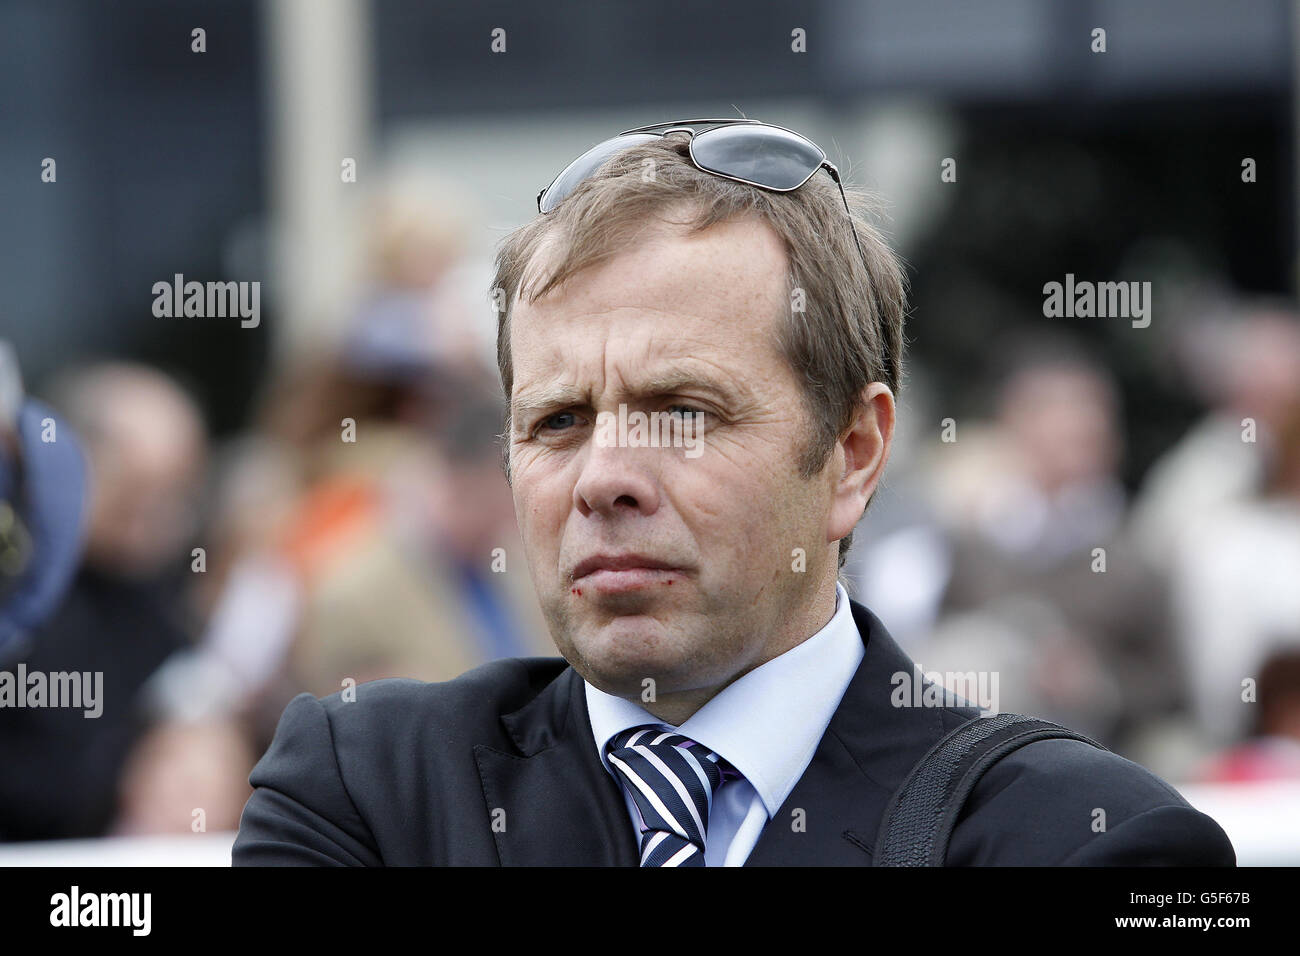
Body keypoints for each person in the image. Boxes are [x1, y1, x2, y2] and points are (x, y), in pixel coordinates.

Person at [233, 119, 1235, 866]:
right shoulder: (365, 788)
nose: (603, 478)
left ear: (852, 451)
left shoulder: (1090, 842)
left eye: (681, 410)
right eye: (556, 421)